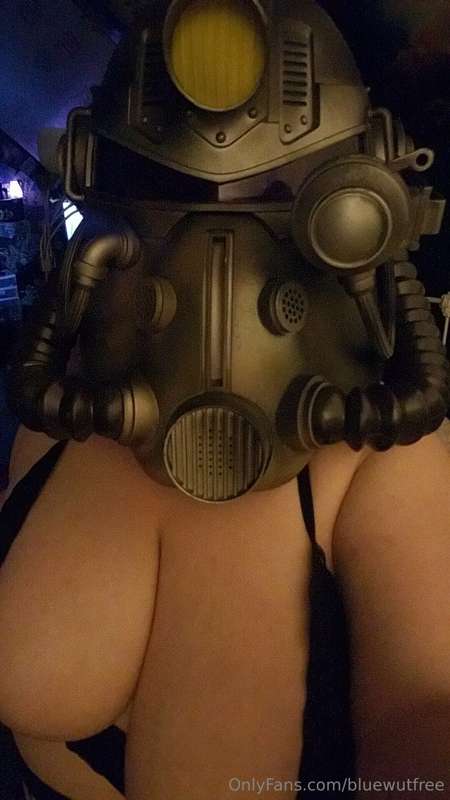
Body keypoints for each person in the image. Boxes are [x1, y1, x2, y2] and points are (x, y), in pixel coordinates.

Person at [1, 1, 450, 797]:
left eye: (282, 191)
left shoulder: (386, 469)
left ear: (367, 207)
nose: (219, 260)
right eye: (162, 186)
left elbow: (425, 707)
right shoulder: (67, 401)